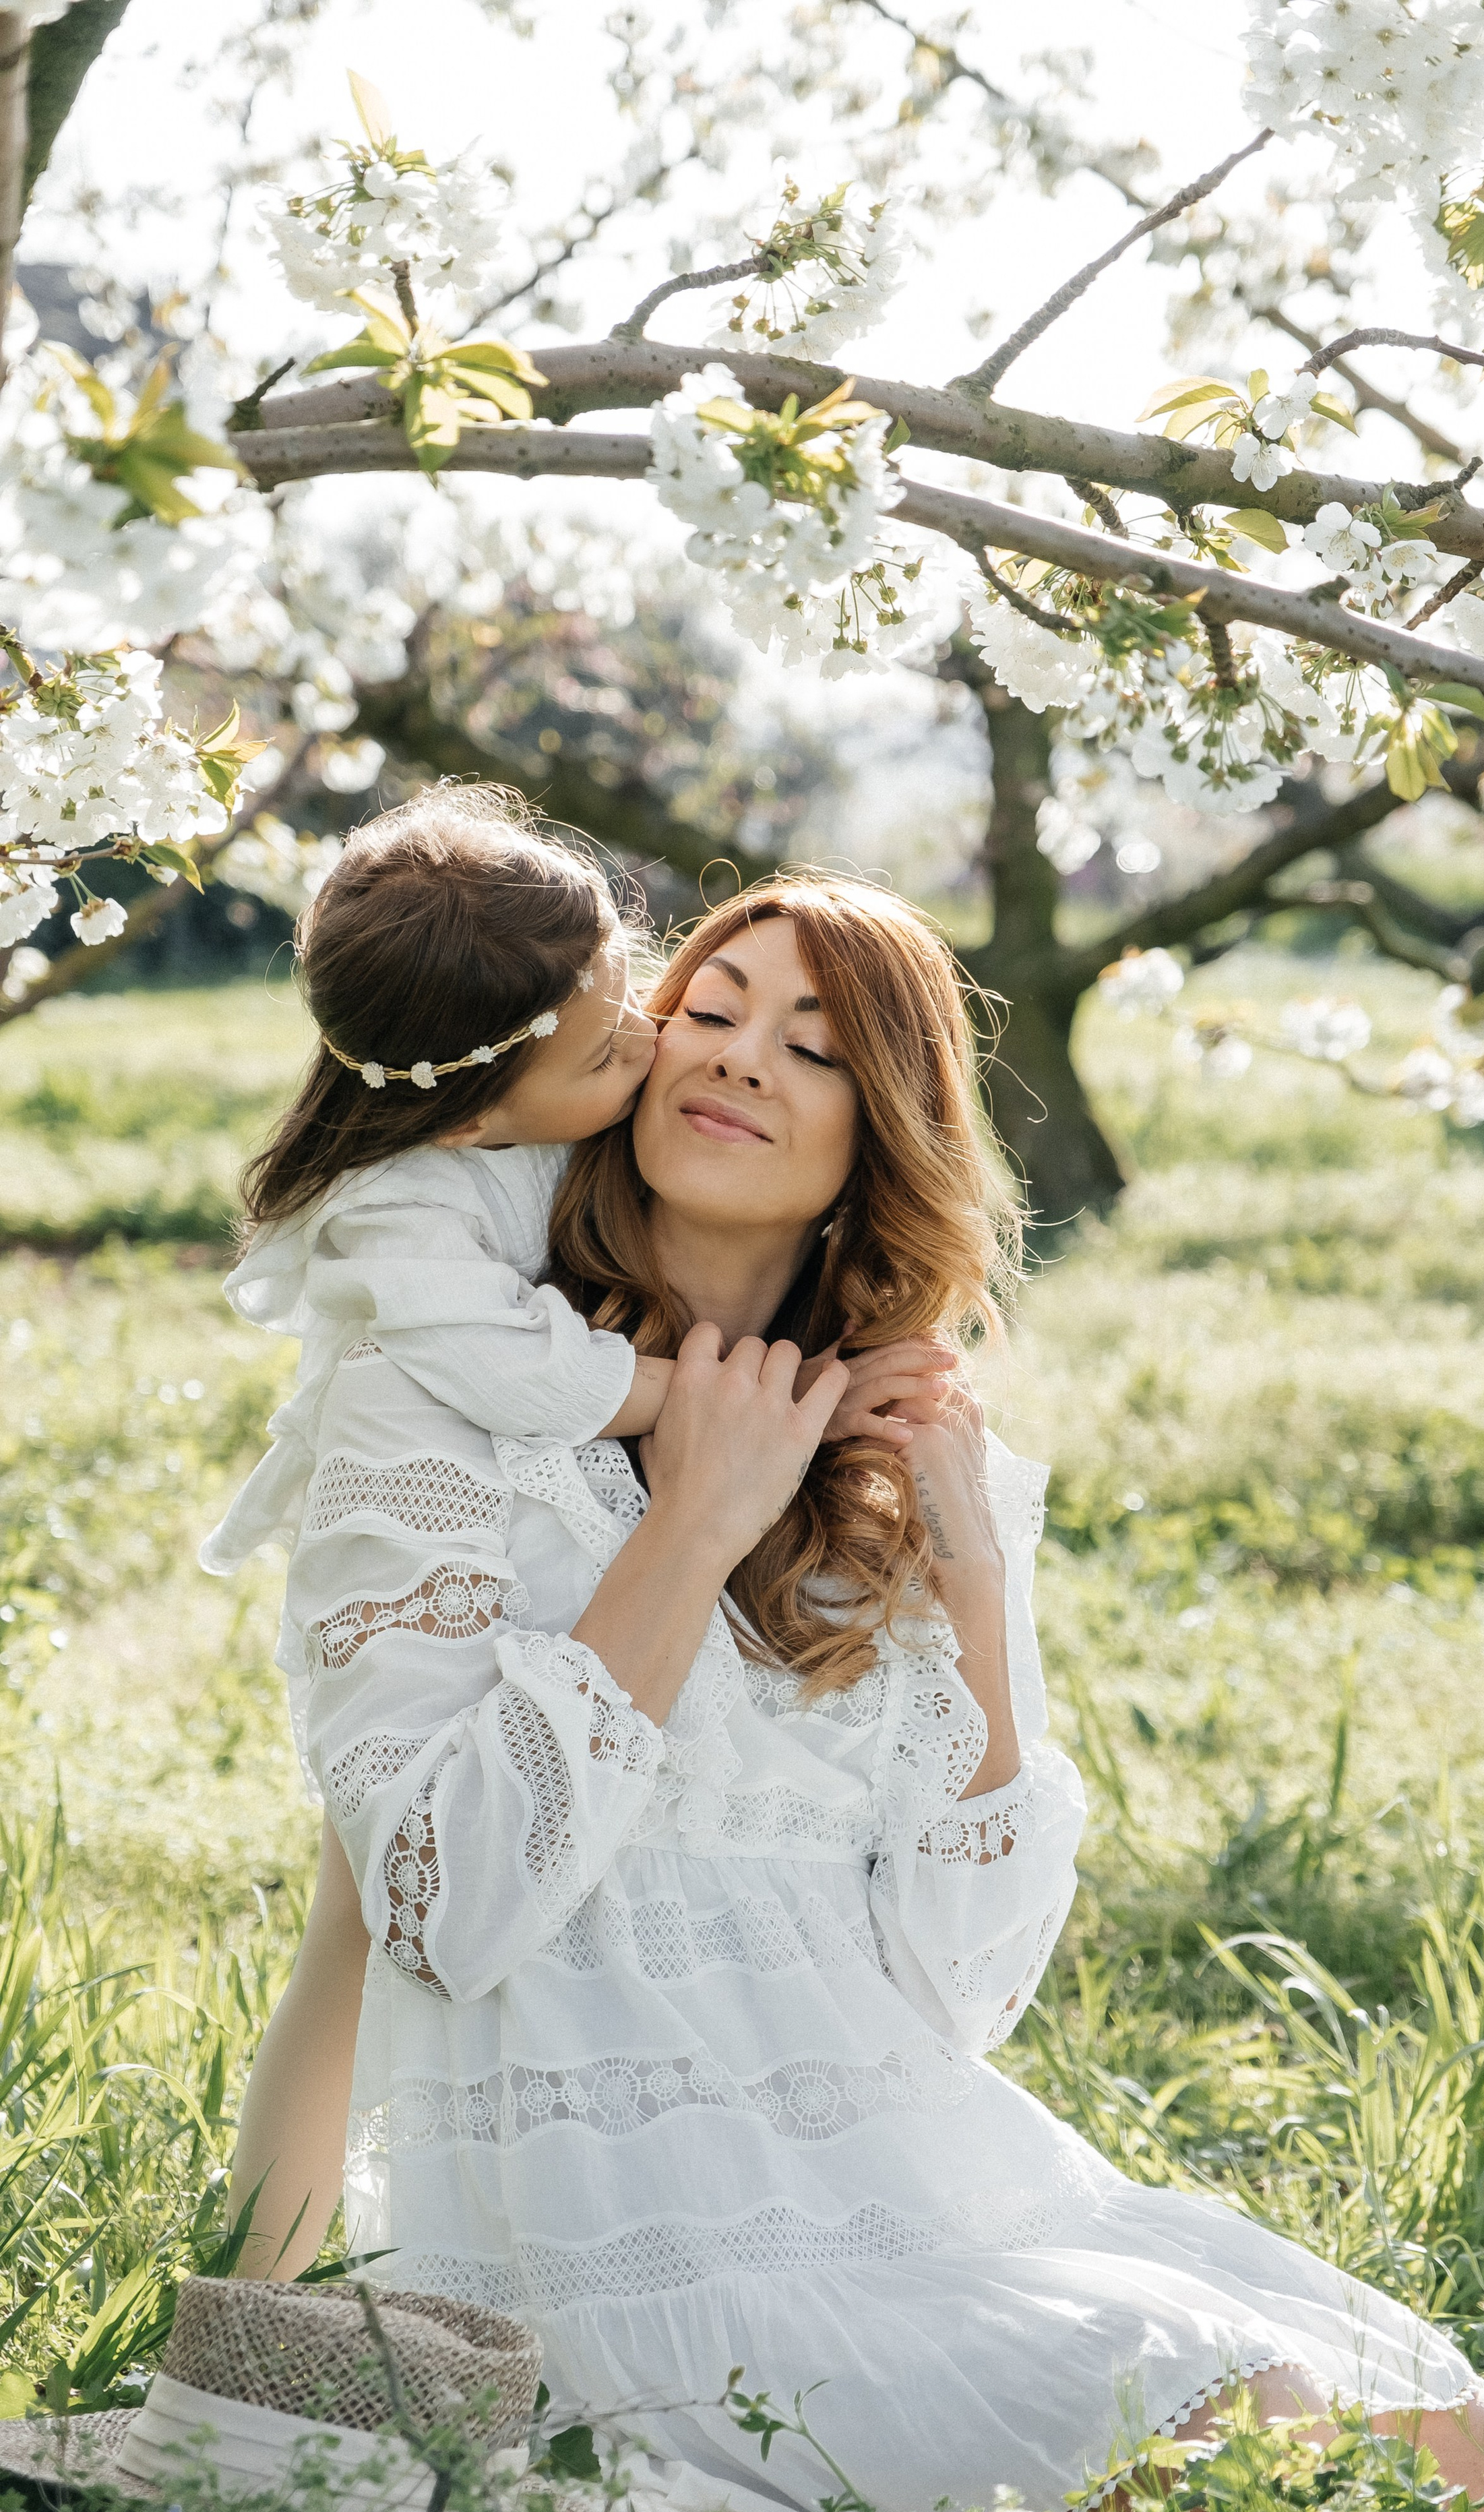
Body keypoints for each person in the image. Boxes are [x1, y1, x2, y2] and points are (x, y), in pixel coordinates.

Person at [282, 873, 1484, 2512]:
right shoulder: (438, 1408)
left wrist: (972, 1580)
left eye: (811, 1050)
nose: (740, 1060)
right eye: (712, 1007)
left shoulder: (906, 1465)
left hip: (919, 2186)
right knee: (1260, 2443)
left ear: (876, 1136)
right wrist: (690, 1519)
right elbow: (441, 1907)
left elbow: (959, 1987)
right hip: (625, 2240)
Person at [209, 793, 948, 2278]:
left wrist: (807, 1418)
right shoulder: (435, 1201)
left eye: (637, 994)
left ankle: (254, 2309)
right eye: (683, 1020)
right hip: (453, 1470)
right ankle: (244, 2322)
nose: (690, 1051)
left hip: (807, 2143)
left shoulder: (566, 1107)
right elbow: (496, 1370)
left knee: (362, 1916)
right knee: (362, 1911)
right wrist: (701, 1412)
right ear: (492, 1098)